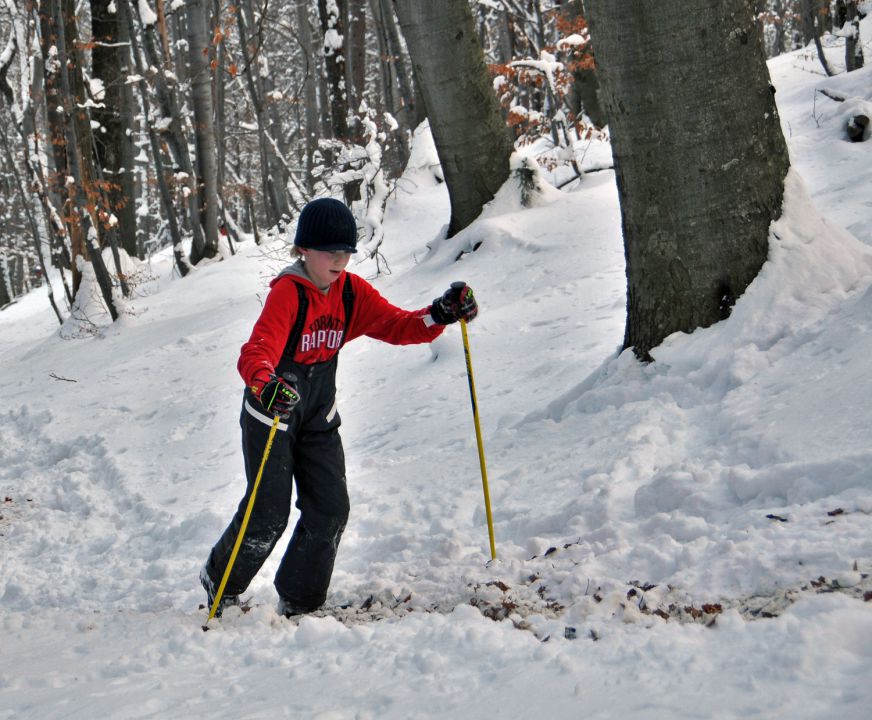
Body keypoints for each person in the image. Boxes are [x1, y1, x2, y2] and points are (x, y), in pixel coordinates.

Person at [200, 197, 478, 618]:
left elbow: (399, 326)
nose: (339, 259)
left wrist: (439, 314)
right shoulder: (289, 294)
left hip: (317, 417)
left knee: (330, 508)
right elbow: (255, 352)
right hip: (271, 413)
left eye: (345, 250)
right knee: (268, 511)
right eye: (329, 250)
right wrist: (266, 383)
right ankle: (220, 580)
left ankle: (300, 598)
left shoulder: (351, 294)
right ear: (303, 250)